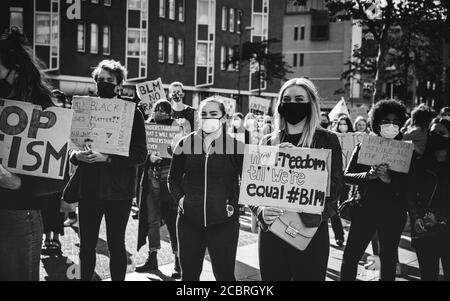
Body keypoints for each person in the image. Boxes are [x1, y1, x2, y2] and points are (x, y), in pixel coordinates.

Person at [251, 78, 344, 281]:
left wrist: (301, 159)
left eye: (299, 99)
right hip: (272, 232)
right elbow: (252, 187)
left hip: (309, 231)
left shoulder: (327, 139)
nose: (292, 103)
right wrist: (260, 211)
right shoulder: (267, 141)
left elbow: (337, 189)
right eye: (287, 99)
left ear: (311, 103)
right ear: (280, 105)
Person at [68, 60, 147, 281]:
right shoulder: (83, 110)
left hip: (118, 192)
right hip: (89, 188)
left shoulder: (133, 114)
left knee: (116, 245)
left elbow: (140, 154)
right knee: (86, 247)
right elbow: (71, 149)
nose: (104, 84)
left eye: (109, 81)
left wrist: (108, 158)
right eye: (100, 80)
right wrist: (77, 156)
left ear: (119, 85)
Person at [0, 27, 62, 281]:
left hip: (17, 214)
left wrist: (17, 183)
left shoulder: (44, 109)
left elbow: (55, 178)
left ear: (14, 70)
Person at [168, 97, 244, 281]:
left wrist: (233, 205)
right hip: (188, 222)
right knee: (189, 277)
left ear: (223, 118)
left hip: (224, 224)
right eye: (204, 114)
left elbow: (248, 183)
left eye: (213, 114)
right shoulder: (185, 143)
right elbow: (172, 179)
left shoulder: (236, 147)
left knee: (225, 276)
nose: (208, 118)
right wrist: (181, 200)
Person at [340, 99, 409, 281]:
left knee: (388, 259)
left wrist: (388, 180)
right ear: (377, 123)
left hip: (393, 214)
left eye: (396, 122)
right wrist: (368, 175)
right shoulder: (364, 146)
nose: (391, 125)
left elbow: (410, 186)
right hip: (365, 210)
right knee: (350, 257)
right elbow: (346, 176)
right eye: (386, 121)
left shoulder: (406, 151)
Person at [136, 99, 180, 279]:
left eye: (164, 110)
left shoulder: (176, 129)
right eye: (157, 110)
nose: (160, 113)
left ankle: (179, 261)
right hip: (150, 179)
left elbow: (181, 153)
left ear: (170, 113)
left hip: (168, 180)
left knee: (172, 221)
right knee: (151, 220)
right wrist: (149, 158)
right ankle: (152, 257)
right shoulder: (147, 128)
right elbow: (139, 152)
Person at [407, 117, 450, 281]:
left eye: (442, 133)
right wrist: (416, 217)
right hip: (425, 230)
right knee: (428, 275)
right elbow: (410, 192)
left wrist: (438, 217)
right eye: (432, 133)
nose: (436, 136)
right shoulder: (419, 163)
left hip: (446, 228)